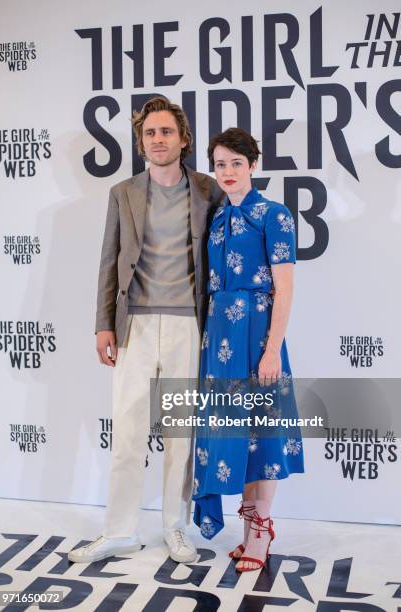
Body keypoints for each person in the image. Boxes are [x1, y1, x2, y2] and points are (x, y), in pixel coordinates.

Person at [68, 97, 222, 564]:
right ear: (141, 143)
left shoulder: (208, 190)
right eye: (150, 133)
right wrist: (102, 326)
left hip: (188, 327)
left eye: (166, 132)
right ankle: (118, 532)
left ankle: (176, 528)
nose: (159, 140)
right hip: (133, 325)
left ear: (183, 139)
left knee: (181, 435)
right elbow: (108, 262)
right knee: (129, 431)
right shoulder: (123, 192)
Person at [192, 128, 304, 572]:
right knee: (231, 433)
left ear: (253, 166)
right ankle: (246, 531)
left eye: (236, 163)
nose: (228, 172)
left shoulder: (274, 216)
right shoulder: (216, 217)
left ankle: (260, 534)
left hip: (259, 335)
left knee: (262, 432)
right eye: (220, 164)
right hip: (219, 340)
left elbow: (285, 289)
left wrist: (272, 350)